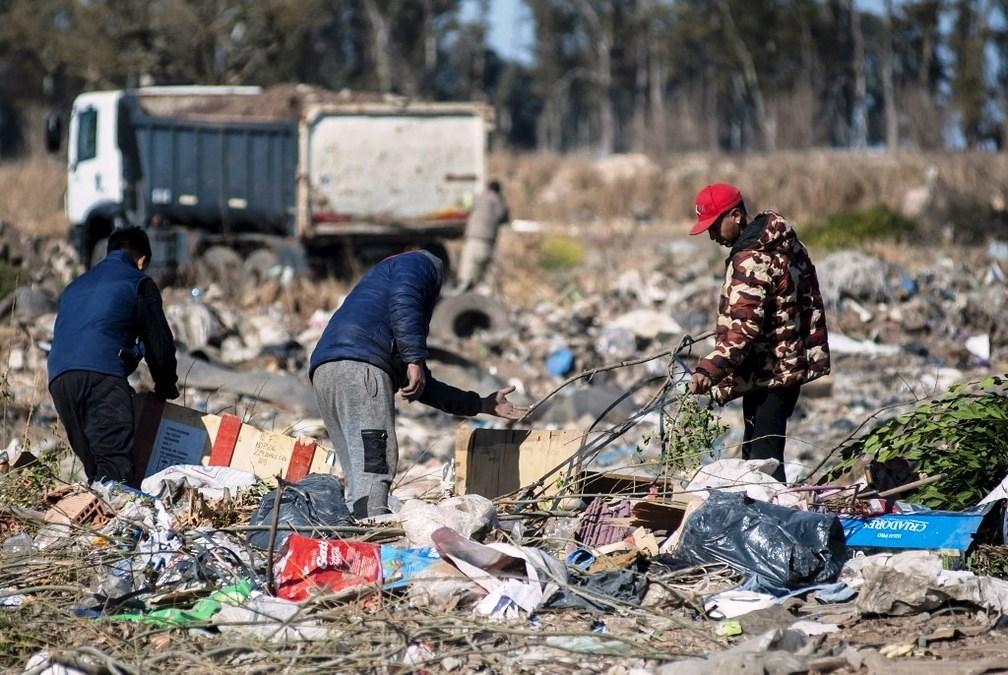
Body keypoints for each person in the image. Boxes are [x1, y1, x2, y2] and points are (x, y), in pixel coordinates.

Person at [309, 248, 526, 517]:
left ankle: (355, 533)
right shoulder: (419, 263)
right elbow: (405, 298)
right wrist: (414, 358)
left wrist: (480, 404)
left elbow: (425, 387)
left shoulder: (380, 311)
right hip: (360, 370)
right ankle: (371, 532)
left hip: (325, 370)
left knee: (357, 469)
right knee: (376, 462)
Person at [687, 183, 830, 482]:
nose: (712, 236)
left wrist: (708, 370)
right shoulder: (782, 243)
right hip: (780, 369)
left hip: (771, 374)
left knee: (763, 466)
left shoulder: (751, 258)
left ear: (736, 216)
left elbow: (744, 329)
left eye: (714, 226)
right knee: (757, 458)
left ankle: (772, 521)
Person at [48, 226, 179, 483]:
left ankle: (94, 520)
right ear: (141, 260)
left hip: (59, 380)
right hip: (101, 376)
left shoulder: (75, 286)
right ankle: (121, 520)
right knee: (115, 469)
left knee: (96, 469)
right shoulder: (138, 282)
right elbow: (159, 341)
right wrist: (165, 385)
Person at [457, 180, 509, 290]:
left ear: (488, 188)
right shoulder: (500, 202)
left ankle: (464, 291)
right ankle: (481, 292)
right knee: (484, 274)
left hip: (473, 239)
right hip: (488, 242)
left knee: (467, 273)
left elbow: (465, 205)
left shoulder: (479, 197)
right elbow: (504, 219)